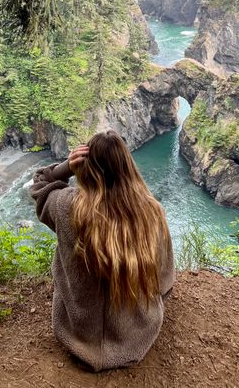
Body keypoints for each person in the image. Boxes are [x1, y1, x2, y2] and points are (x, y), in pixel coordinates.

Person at [30, 129, 174, 372]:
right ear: (127, 166)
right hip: (136, 337)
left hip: (77, 333)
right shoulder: (152, 212)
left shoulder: (67, 207)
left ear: (85, 167)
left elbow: (40, 185)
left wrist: (66, 167)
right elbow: (164, 281)